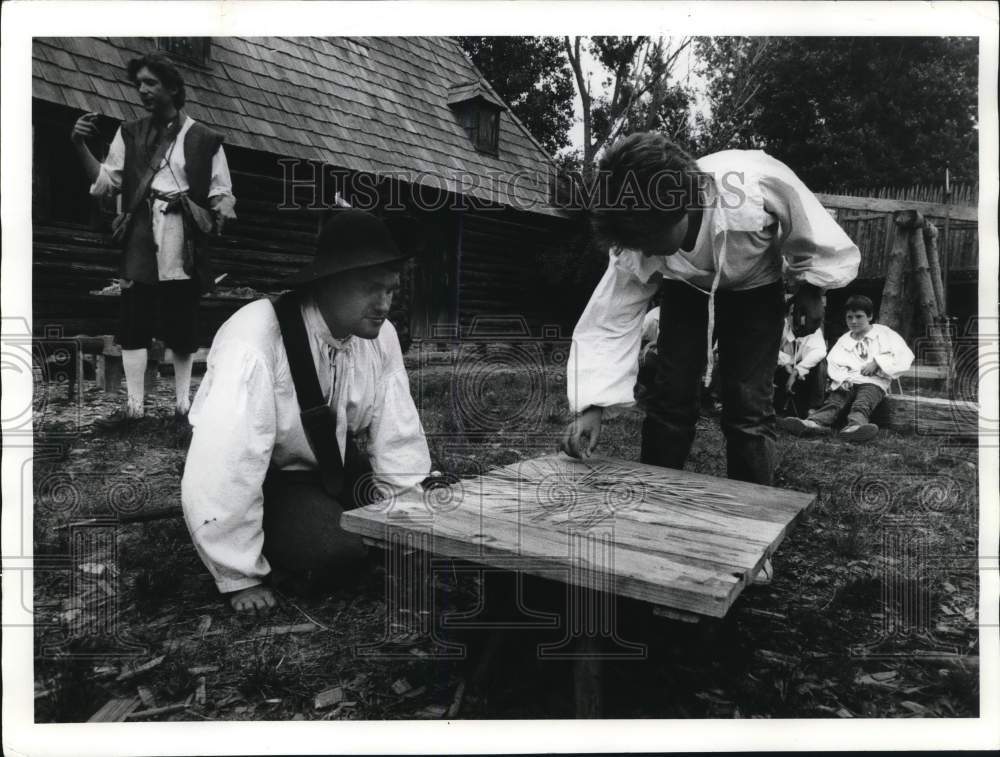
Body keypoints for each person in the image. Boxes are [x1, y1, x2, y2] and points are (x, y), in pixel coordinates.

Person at [561, 133, 860, 487]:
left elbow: (810, 229)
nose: (645, 252)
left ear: (684, 208)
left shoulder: (754, 184)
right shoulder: (637, 231)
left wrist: (812, 287)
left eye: (651, 240)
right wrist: (592, 406)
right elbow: (611, 318)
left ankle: (754, 506)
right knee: (670, 399)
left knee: (748, 408)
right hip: (685, 287)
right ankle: (654, 496)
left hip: (757, 286)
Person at [181, 209, 432, 614]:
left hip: (334, 465)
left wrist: (406, 523)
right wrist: (238, 576)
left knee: (401, 534)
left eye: (391, 289)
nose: (385, 304)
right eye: (372, 289)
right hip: (272, 477)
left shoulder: (380, 336)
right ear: (329, 282)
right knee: (336, 553)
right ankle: (253, 547)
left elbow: (397, 434)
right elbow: (227, 465)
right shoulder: (256, 338)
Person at [71, 52, 237, 423]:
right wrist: (79, 145)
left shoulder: (204, 138)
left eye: (151, 83)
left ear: (173, 88)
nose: (143, 90)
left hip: (182, 237)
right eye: (139, 84)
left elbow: (220, 190)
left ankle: (183, 405)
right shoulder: (129, 133)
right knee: (134, 321)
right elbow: (105, 183)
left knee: (182, 323)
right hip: (141, 235)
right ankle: (134, 409)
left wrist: (221, 207)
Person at [777, 294, 913, 442]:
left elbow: (904, 355)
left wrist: (878, 362)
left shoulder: (884, 333)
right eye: (849, 317)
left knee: (863, 402)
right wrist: (842, 379)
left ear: (870, 316)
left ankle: (855, 427)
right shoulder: (844, 340)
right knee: (834, 402)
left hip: (873, 381)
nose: (854, 321)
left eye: (859, 317)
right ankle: (814, 423)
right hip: (848, 380)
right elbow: (834, 362)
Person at [773, 296, 828, 418]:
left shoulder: (813, 329)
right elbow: (770, 350)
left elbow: (819, 352)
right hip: (782, 371)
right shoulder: (781, 326)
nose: (799, 319)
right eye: (793, 314)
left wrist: (796, 371)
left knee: (821, 363)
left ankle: (814, 411)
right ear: (787, 315)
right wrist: (786, 362)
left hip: (802, 375)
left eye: (803, 314)